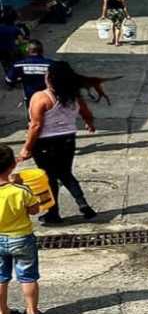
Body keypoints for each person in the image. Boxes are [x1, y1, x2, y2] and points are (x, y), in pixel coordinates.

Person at [18, 61, 97, 225]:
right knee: (66, 173)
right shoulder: (74, 96)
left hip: (45, 143)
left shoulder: (41, 97)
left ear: (49, 78)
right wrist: (89, 123)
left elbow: (35, 125)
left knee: (48, 178)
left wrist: (27, 148)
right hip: (68, 139)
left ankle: (53, 213)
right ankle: (83, 204)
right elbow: (86, 113)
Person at [0, 145, 44, 314]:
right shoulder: (20, 191)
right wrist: (23, 186)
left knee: (1, 277)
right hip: (22, 237)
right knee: (28, 275)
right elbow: (35, 210)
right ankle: (32, 311)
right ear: (12, 166)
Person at [5, 40, 55, 109]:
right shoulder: (51, 64)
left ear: (27, 50)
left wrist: (20, 80)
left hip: (31, 97)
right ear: (42, 51)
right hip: (48, 96)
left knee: (33, 117)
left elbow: (8, 80)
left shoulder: (19, 65)